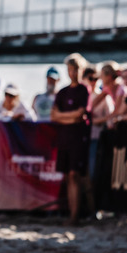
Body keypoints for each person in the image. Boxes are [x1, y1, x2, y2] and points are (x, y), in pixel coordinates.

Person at [51, 53, 91, 225]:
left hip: (78, 139)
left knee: (75, 175)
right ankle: (72, 214)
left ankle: (76, 215)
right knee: (68, 177)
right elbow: (54, 116)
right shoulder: (62, 92)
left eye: (76, 69)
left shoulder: (84, 90)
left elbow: (81, 113)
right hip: (64, 138)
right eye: (70, 69)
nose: (73, 73)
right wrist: (70, 118)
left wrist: (64, 117)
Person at [88, 62, 127, 177]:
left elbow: (118, 111)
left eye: (102, 75)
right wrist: (88, 112)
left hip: (126, 121)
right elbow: (92, 105)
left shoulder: (121, 88)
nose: (100, 78)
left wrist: (101, 119)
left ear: (109, 77)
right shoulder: (107, 88)